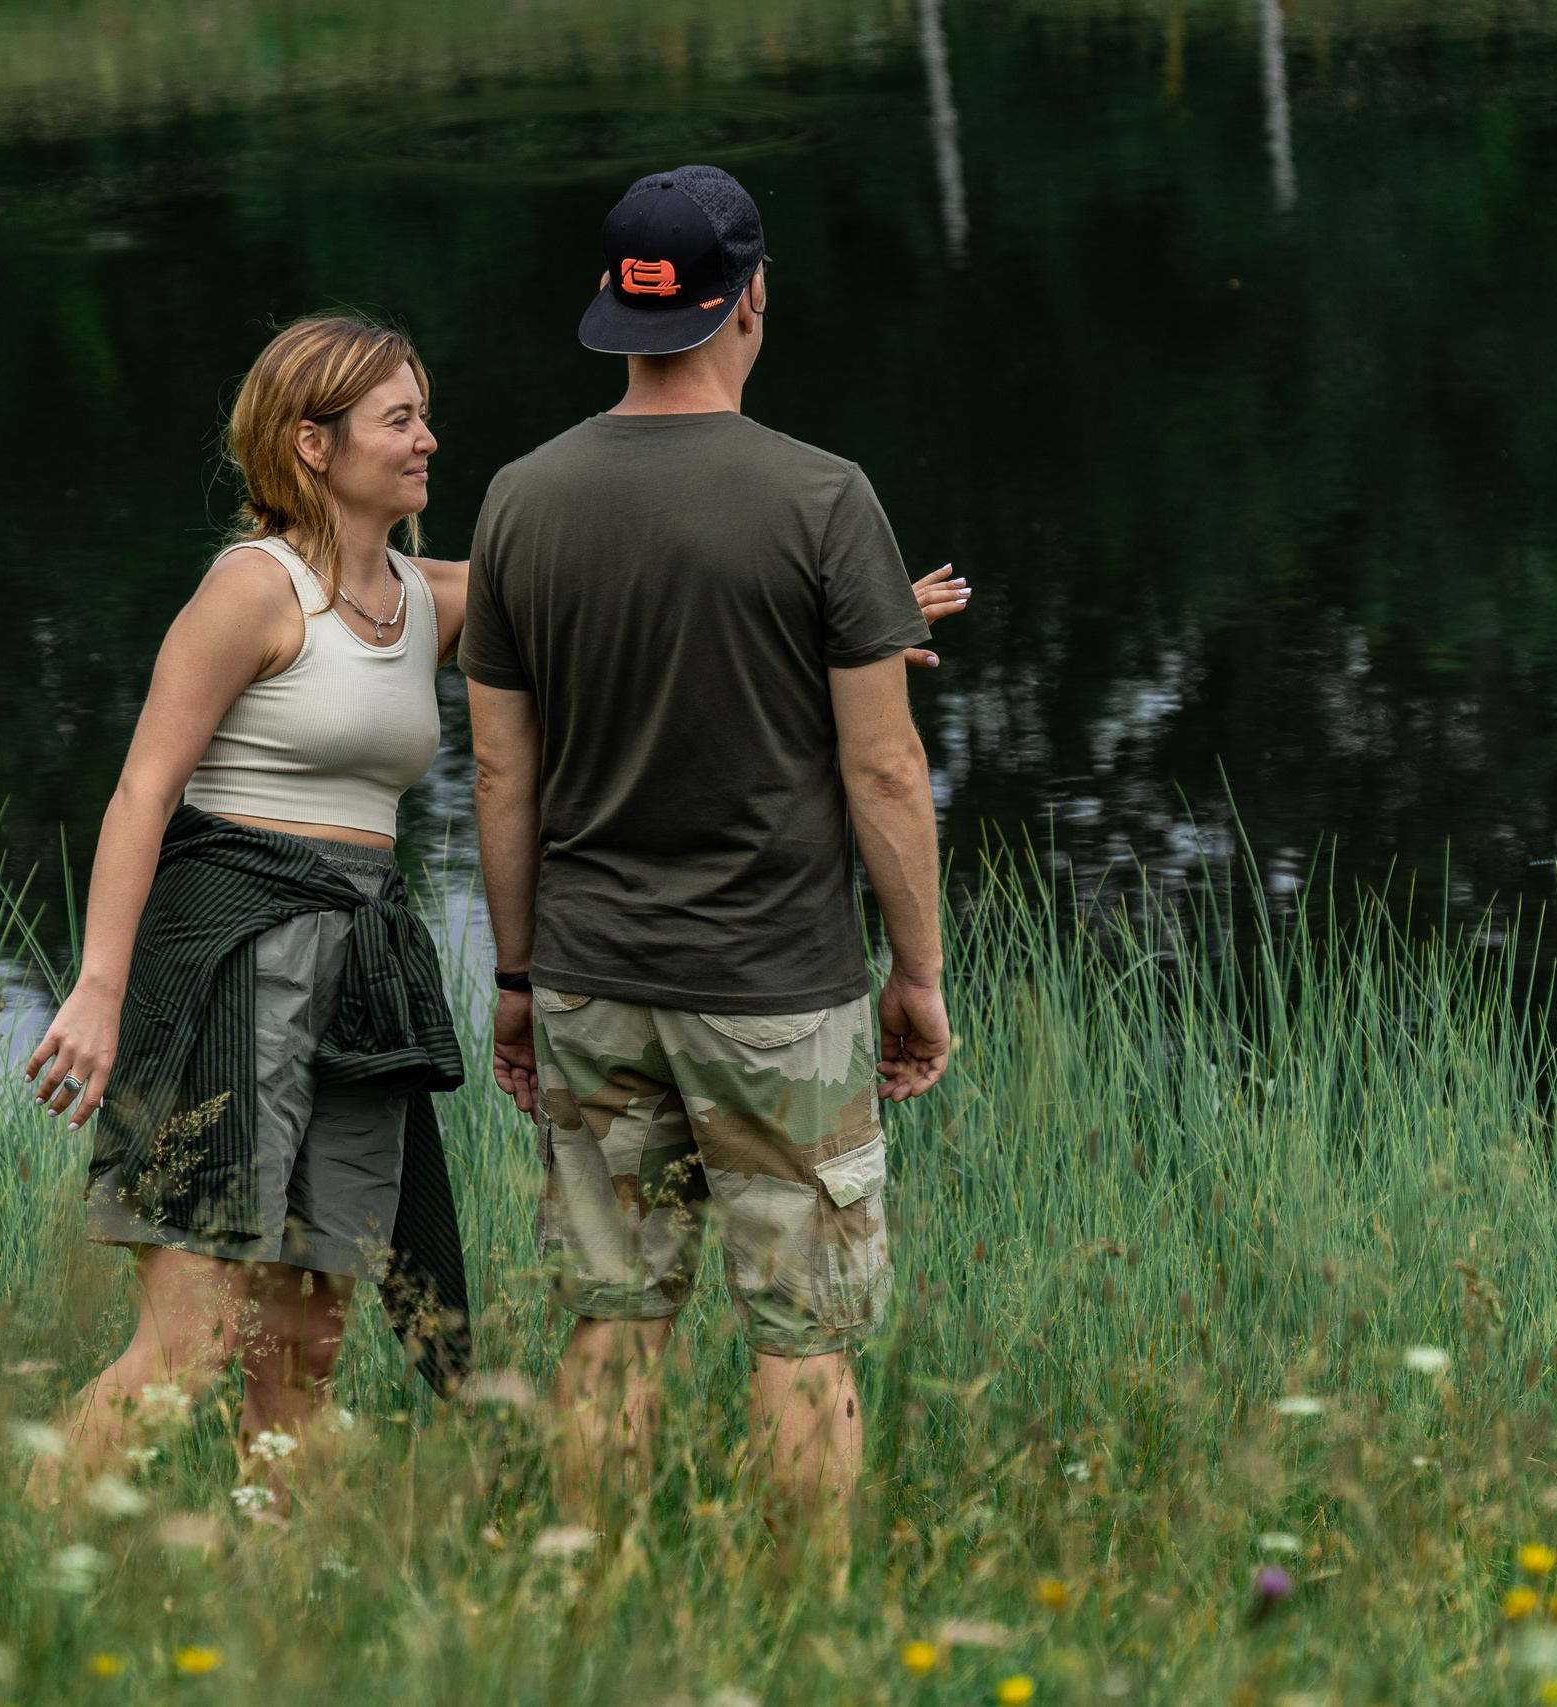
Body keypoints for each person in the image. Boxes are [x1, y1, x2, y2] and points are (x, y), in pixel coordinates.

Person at [461, 165, 963, 1538]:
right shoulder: (824, 497)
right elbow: (882, 764)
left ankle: (592, 1615)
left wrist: (516, 975)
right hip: (777, 991)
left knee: (613, 1320)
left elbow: (504, 769)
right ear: (750, 299)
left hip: (588, 976)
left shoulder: (518, 500)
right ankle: (803, 1636)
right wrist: (914, 971)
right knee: (802, 1335)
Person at [24, 315, 471, 1487]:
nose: (429, 437)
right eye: (400, 418)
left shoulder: (426, 597)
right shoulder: (253, 589)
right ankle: (1, 1546)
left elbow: (637, 584)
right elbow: (141, 790)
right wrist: (99, 990)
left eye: (423, 412)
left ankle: (285, 1608)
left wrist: (848, 617)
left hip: (360, 984)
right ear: (311, 445)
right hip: (228, 966)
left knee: (309, 1345)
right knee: (195, 1342)